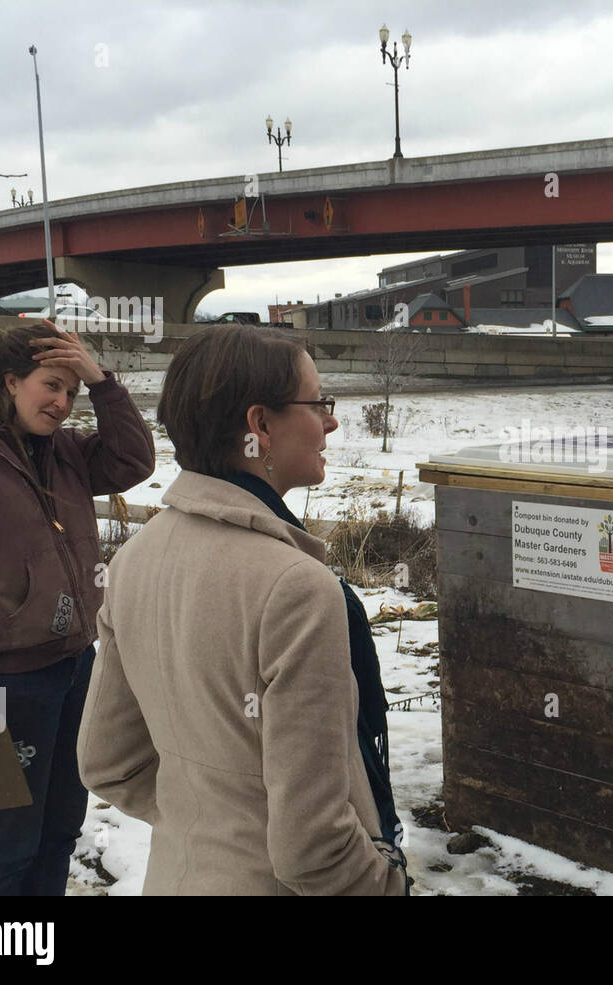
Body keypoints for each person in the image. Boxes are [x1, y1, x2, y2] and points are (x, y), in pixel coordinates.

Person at [77, 324, 407, 896]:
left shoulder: (133, 560)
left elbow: (109, 763)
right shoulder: (297, 587)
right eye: (317, 403)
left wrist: (209, 819)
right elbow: (313, 850)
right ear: (261, 426)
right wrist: (386, 883)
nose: (330, 422)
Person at [0, 322, 155, 895]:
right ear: (10, 381)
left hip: (75, 665)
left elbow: (133, 461)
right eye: (52, 386)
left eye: (71, 391)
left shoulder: (63, 450)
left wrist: (103, 384)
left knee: (62, 826)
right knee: (13, 836)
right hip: (2, 679)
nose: (63, 403)